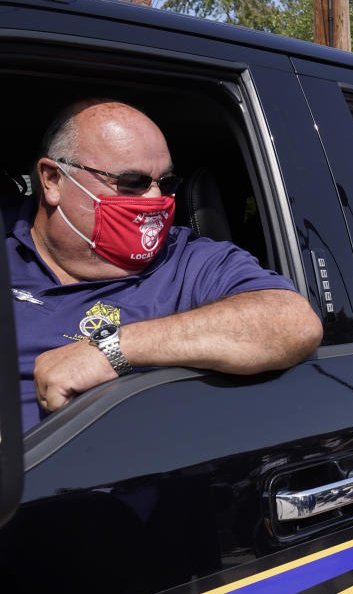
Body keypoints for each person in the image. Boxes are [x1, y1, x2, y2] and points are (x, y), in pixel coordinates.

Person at [9, 98, 325, 432]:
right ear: (53, 180)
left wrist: (112, 349)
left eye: (167, 183)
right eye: (133, 182)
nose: (156, 199)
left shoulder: (185, 259)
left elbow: (292, 322)